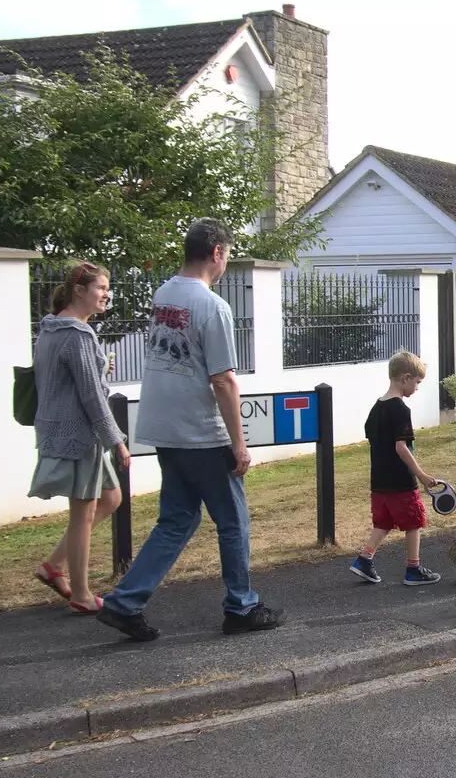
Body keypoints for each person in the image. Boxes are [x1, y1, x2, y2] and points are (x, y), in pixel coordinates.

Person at [98, 218, 283, 642]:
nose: (226, 264)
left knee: (176, 519)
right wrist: (239, 443)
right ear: (217, 252)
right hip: (201, 430)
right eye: (228, 255)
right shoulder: (212, 305)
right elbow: (222, 380)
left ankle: (125, 602)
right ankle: (241, 605)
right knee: (232, 520)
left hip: (163, 426)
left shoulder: (163, 294)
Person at [29, 262, 131, 614]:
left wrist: (99, 367)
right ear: (79, 290)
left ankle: (53, 567)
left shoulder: (50, 329)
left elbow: (64, 380)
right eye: (101, 288)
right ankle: (82, 595)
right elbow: (91, 396)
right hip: (80, 435)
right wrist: (117, 440)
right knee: (82, 514)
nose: (106, 294)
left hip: (57, 429)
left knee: (111, 497)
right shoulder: (76, 334)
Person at [348, 350, 442, 586]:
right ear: (405, 377)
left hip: (378, 480)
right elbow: (401, 447)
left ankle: (364, 559)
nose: (417, 388)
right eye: (417, 383)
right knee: (414, 522)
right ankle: (413, 569)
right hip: (400, 480)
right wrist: (420, 475)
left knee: (384, 521)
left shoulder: (376, 408)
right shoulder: (401, 409)